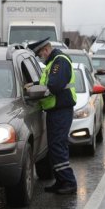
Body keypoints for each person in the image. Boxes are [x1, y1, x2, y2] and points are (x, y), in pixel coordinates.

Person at [27, 37, 78, 194]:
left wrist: (36, 91)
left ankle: (69, 182)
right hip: (55, 110)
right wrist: (34, 85)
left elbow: (54, 85)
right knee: (55, 146)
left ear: (45, 50)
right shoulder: (52, 63)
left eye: (40, 54)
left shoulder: (59, 61)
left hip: (60, 110)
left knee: (58, 146)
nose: (40, 58)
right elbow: (47, 82)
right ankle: (60, 181)